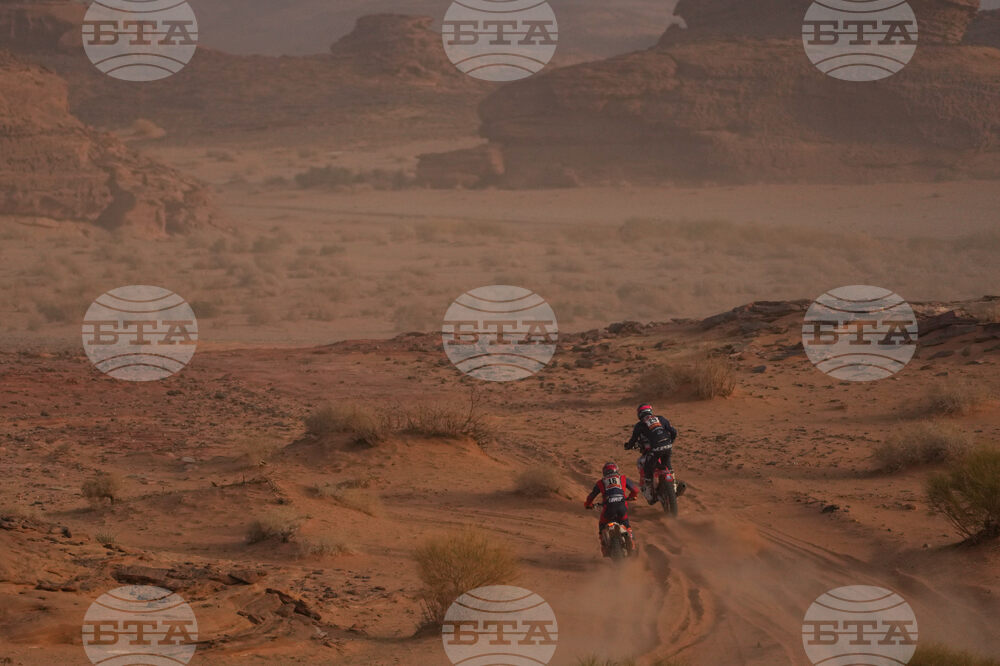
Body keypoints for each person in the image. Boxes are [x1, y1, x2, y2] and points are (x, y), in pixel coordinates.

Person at [624, 403, 677, 504]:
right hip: (668, 446)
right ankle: (674, 487)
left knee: (647, 469)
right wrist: (671, 441)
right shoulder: (661, 418)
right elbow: (674, 431)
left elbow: (633, 440)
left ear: (639, 414)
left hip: (655, 449)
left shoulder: (639, 425)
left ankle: (649, 493)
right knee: (668, 466)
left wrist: (628, 446)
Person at [584, 462, 637, 557]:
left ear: (604, 472)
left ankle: (604, 546)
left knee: (602, 525)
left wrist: (588, 504)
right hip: (621, 507)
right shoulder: (622, 479)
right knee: (626, 523)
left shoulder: (601, 482)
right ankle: (632, 543)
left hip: (608, 509)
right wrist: (632, 496)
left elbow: (591, 496)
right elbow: (635, 490)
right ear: (616, 470)